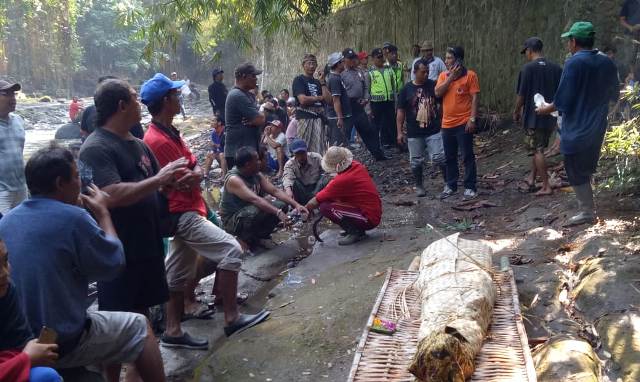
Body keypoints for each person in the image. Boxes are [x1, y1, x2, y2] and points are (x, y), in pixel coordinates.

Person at [0, 144, 167, 382]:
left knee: (99, 320)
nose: (81, 183)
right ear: (60, 183)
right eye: (77, 176)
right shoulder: (75, 218)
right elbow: (115, 262)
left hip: (17, 340)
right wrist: (103, 214)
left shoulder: (8, 221)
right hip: (58, 341)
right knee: (140, 328)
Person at [140, 73, 269, 343]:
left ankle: (173, 331)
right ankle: (232, 318)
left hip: (189, 207)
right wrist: (194, 173)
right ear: (166, 101)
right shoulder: (157, 140)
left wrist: (197, 173)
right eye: (175, 95)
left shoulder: (169, 132)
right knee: (232, 250)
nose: (179, 98)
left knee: (175, 273)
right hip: (182, 212)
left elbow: (194, 166)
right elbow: (181, 179)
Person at [79, 80, 188, 326]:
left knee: (141, 315)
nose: (140, 104)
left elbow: (157, 182)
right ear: (121, 106)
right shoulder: (95, 148)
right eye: (135, 98)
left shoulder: (138, 144)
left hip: (146, 244)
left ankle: (140, 363)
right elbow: (109, 195)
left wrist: (172, 183)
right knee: (118, 321)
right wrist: (159, 179)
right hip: (119, 252)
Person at [537, 21, 619, 226]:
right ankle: (588, 206)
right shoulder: (606, 61)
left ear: (574, 42)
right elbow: (614, 95)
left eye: (568, 41)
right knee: (586, 167)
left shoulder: (574, 63)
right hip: (598, 125)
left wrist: (543, 108)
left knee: (574, 169)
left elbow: (562, 101)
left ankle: (587, 211)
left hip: (577, 129)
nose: (568, 45)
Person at [220, 146, 309, 249]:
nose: (260, 162)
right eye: (257, 160)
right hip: (233, 220)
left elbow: (274, 191)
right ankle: (245, 239)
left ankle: (261, 236)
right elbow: (255, 200)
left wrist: (296, 205)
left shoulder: (255, 174)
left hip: (249, 210)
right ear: (248, 165)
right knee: (259, 210)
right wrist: (278, 213)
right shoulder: (234, 179)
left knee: (281, 205)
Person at [0, 239, 62, 382]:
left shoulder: (6, 290)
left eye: (5, 261)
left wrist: (24, 357)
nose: (4, 273)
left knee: (46, 376)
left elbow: (19, 342)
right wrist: (25, 359)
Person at [513, 37, 563, 196]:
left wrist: (516, 111)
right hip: (550, 115)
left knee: (537, 150)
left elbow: (521, 96)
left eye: (525, 52)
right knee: (538, 147)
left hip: (534, 117)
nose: (526, 55)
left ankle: (546, 186)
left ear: (529, 50)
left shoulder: (528, 69)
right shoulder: (556, 68)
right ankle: (532, 179)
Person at [305, 146, 381, 245]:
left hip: (369, 218)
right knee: (332, 200)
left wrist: (305, 208)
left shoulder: (343, 180)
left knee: (325, 207)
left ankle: (355, 232)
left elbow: (316, 200)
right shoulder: (356, 165)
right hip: (372, 210)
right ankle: (354, 228)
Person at [435, 46, 480, 200]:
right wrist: (450, 77)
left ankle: (470, 186)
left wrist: (472, 119)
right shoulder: (443, 76)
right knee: (449, 156)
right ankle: (451, 185)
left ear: (458, 60)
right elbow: (437, 93)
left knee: (467, 155)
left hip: (464, 122)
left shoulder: (470, 75)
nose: (446, 61)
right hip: (447, 124)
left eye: (449, 58)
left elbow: (475, 98)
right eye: (446, 58)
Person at [397, 59, 445, 197]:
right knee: (416, 161)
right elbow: (400, 112)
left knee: (439, 157)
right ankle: (419, 186)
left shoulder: (433, 85)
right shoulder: (406, 90)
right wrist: (399, 132)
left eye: (427, 72)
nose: (426, 75)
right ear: (415, 72)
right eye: (423, 72)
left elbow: (442, 104)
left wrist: (442, 121)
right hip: (414, 132)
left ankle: (448, 182)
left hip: (433, 129)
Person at [342, 48, 387, 160]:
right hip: (348, 106)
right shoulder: (341, 74)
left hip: (359, 105)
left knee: (368, 130)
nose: (353, 61)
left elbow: (366, 87)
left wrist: (366, 98)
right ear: (344, 60)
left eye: (354, 58)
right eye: (350, 59)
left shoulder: (359, 72)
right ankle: (343, 160)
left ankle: (378, 154)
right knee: (346, 134)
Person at [224, 63, 266, 169]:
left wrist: (257, 118)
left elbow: (260, 118)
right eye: (253, 76)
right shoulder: (237, 95)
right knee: (241, 184)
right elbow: (260, 119)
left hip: (247, 151)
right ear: (243, 76)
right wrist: (257, 118)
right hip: (238, 153)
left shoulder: (248, 95)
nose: (256, 79)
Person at [292, 54, 332, 155]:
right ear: (303, 65)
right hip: (305, 117)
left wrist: (322, 82)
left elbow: (328, 100)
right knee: (303, 148)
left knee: (319, 148)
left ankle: (318, 169)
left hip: (319, 118)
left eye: (314, 63)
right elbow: (303, 100)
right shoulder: (299, 80)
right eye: (309, 63)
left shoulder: (319, 82)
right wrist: (319, 97)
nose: (311, 66)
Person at [0, 80, 27, 215]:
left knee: (22, 231)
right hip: (1, 192)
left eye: (14, 94)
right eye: (7, 94)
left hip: (21, 188)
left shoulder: (19, 120)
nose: (13, 98)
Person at [282, 139, 329, 204]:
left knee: (326, 178)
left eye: (303, 153)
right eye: (298, 154)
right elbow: (287, 179)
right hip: (302, 190)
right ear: (293, 154)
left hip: (317, 188)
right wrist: (289, 191)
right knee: (294, 183)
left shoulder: (316, 157)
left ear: (306, 151)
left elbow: (327, 170)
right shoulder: (290, 164)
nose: (301, 156)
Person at [369, 48, 398, 149]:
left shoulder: (388, 70)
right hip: (376, 102)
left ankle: (394, 142)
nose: (381, 59)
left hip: (388, 101)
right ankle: (377, 145)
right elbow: (367, 90)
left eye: (382, 57)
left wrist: (395, 101)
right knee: (377, 125)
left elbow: (394, 87)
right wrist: (369, 108)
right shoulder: (370, 72)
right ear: (373, 59)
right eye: (378, 57)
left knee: (391, 122)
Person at [325, 52, 354, 147]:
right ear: (337, 64)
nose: (344, 63)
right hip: (338, 118)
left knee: (344, 143)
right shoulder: (334, 79)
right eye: (342, 61)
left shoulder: (338, 77)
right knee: (338, 145)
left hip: (344, 116)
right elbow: (336, 100)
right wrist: (339, 118)